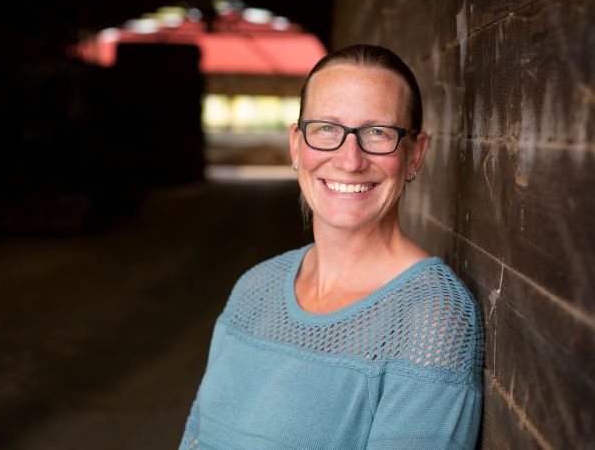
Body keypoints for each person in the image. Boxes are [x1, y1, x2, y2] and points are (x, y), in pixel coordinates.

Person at [180, 44, 484, 449]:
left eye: (378, 132)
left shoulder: (431, 316)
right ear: (296, 145)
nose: (349, 159)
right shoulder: (255, 288)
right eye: (326, 129)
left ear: (415, 154)